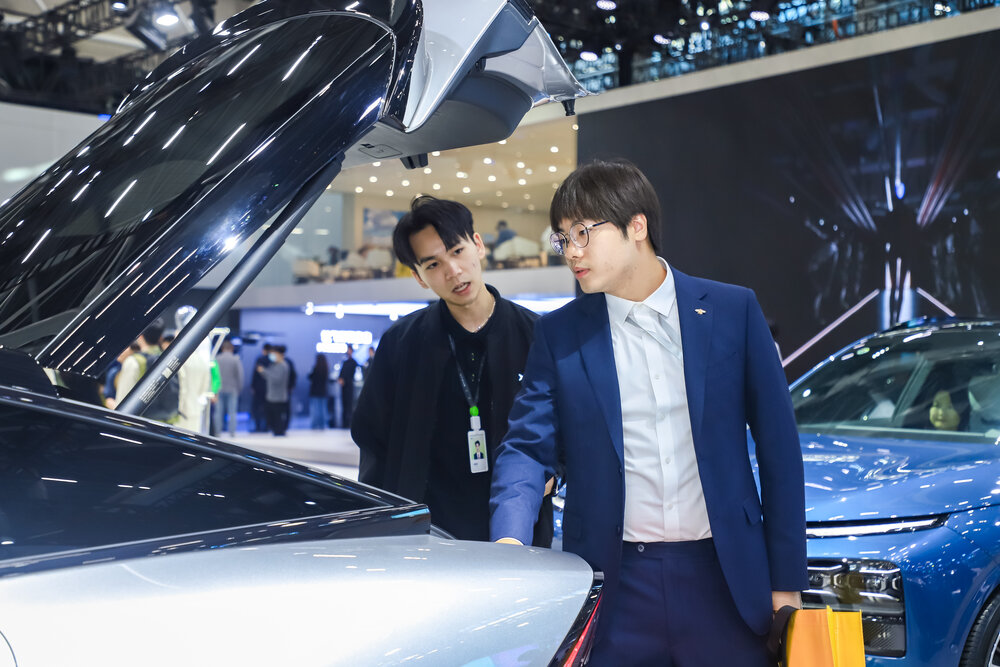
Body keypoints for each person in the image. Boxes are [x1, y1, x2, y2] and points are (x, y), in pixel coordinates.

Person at [489, 160, 807, 665]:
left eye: (582, 233)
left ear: (636, 226)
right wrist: (509, 538)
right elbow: (527, 447)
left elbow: (779, 451)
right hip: (615, 587)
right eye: (562, 238)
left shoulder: (732, 311)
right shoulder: (561, 333)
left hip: (725, 579)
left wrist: (786, 581)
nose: (571, 252)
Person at [352, 195, 553, 545]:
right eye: (433, 264)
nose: (453, 271)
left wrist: (553, 474)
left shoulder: (536, 335)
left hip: (519, 531)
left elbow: (565, 428)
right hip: (426, 538)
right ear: (418, 277)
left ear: (478, 245)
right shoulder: (401, 343)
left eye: (457, 251)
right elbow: (373, 443)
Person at [257, 346, 289, 436]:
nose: (272, 356)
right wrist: (263, 372)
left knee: (277, 418)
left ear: (279, 355)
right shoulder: (273, 365)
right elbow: (269, 376)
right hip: (271, 395)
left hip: (278, 397)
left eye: (274, 354)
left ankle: (280, 432)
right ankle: (276, 432)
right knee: (270, 417)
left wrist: (264, 371)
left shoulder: (283, 365)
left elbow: (276, 379)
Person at [215, 340, 244, 437]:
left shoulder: (217, 358)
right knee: (232, 412)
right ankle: (232, 432)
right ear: (232, 349)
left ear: (222, 348)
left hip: (219, 389)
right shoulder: (235, 359)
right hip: (232, 389)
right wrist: (239, 389)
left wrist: (213, 389)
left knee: (218, 412)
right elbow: (240, 376)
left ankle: (217, 432)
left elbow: (213, 375)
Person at [251, 343, 272, 432]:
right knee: (267, 408)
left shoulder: (259, 359)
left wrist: (253, 386)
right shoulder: (272, 361)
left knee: (257, 408)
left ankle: (258, 426)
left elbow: (255, 374)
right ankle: (266, 427)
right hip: (269, 388)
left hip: (258, 388)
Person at [308, 353, 330, 430]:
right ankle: (322, 425)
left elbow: (310, 377)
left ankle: (314, 425)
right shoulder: (326, 369)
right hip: (323, 391)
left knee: (315, 410)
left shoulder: (315, 368)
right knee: (323, 409)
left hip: (315, 391)